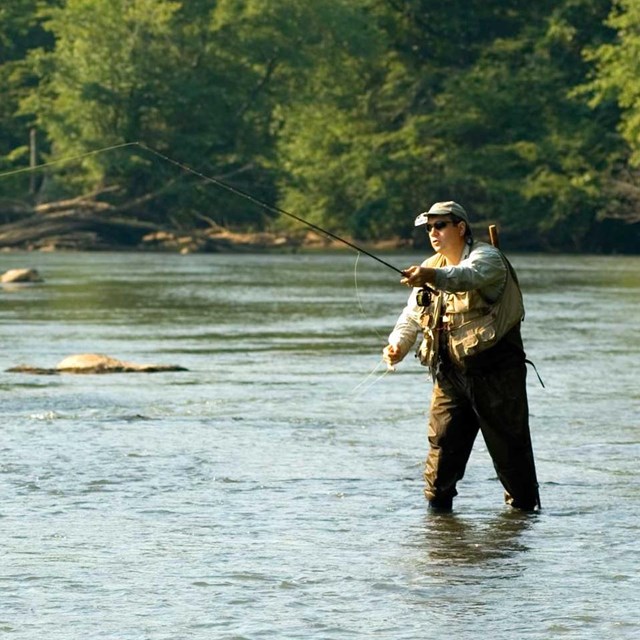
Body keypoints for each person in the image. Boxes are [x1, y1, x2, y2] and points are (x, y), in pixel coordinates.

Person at [383, 201, 540, 512]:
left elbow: (465, 276)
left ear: (460, 228)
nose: (433, 232)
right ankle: (441, 537)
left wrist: (431, 274)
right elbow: (412, 316)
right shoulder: (430, 265)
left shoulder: (488, 259)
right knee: (440, 461)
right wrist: (397, 345)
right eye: (428, 228)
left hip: (496, 375)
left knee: (512, 460)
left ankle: (520, 536)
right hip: (450, 376)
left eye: (439, 225)